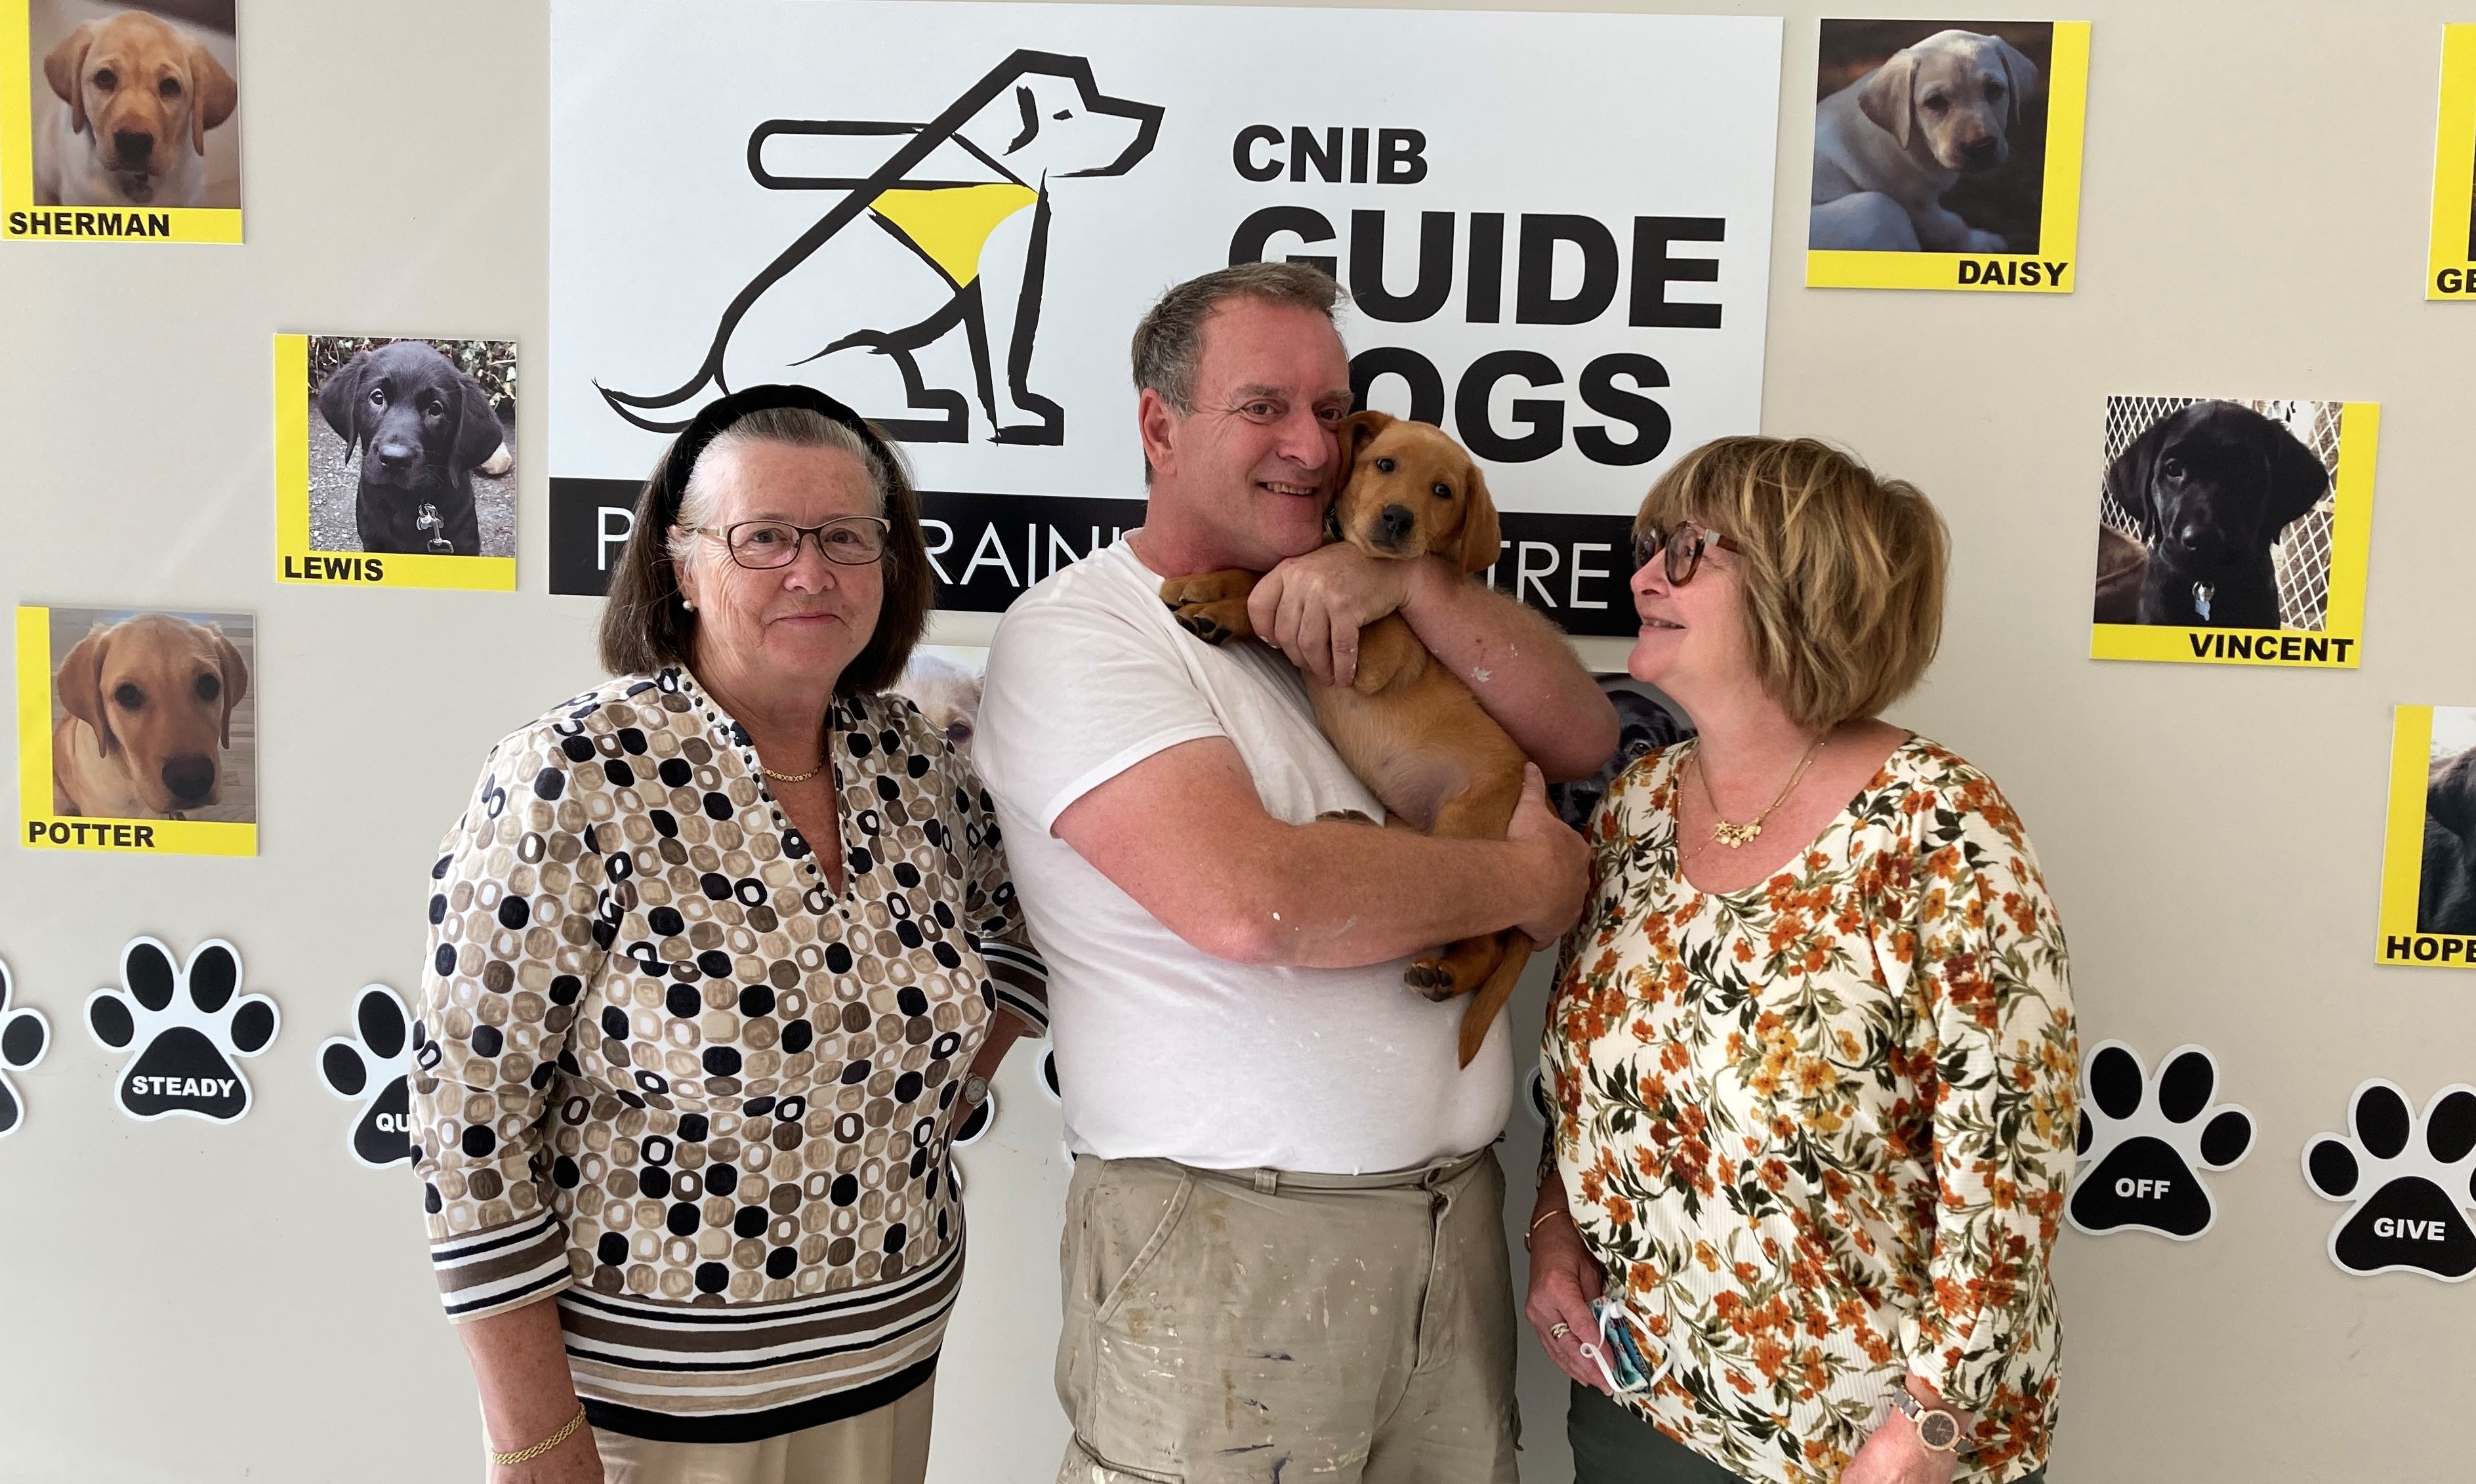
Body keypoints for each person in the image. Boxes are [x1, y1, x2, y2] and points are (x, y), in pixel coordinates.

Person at [968, 260, 1618, 1483]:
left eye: (1332, 411)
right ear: (1159, 425)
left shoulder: (1367, 594)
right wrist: (1527, 886)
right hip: (1227, 1240)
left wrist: (1408, 576)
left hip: (1450, 1221)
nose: (1312, 447)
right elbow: (1254, 905)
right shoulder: (1083, 632)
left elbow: (1583, 732)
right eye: (1263, 406)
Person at [410, 386, 1046, 1484]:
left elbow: (1026, 927)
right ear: (681, 563)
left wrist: (934, 1093)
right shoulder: (572, 775)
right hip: (645, 1420)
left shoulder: (916, 763)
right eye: (764, 538)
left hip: (888, 1371)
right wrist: (536, 1435)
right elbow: (469, 1115)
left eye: (848, 536)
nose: (813, 571)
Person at [1525, 437, 2076, 1484]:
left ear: (1800, 582)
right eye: (1653, 547)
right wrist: (1553, 1231)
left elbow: (2008, 1177)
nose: (1642, 576)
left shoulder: (1941, 828)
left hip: (1877, 1450)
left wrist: (1932, 1429)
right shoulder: (1636, 809)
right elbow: (1584, 1087)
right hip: (1640, 1411)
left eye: (1690, 550)